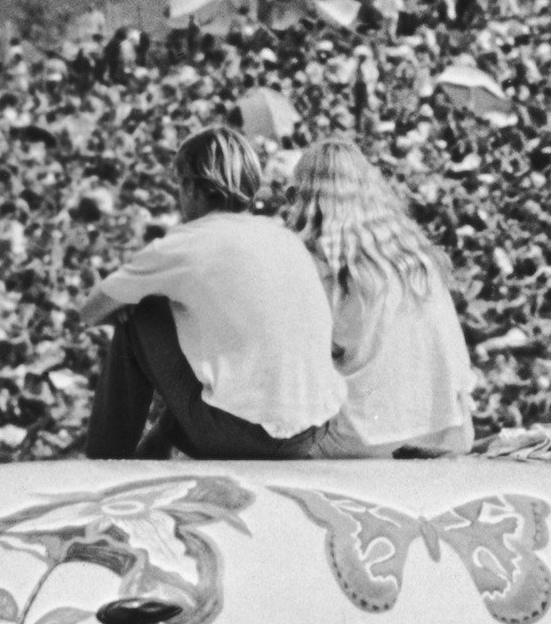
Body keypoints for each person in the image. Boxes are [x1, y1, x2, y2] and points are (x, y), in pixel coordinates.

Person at [80, 126, 343, 460]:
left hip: (243, 436)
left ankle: (105, 461)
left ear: (191, 186)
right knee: (211, 343)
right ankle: (154, 448)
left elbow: (90, 311)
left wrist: (136, 303)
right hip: (308, 434)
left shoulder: (184, 245)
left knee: (142, 311)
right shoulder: (284, 237)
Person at [288, 138, 474, 457]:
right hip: (448, 432)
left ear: (302, 198)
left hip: (361, 440)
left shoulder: (313, 267)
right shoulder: (419, 261)